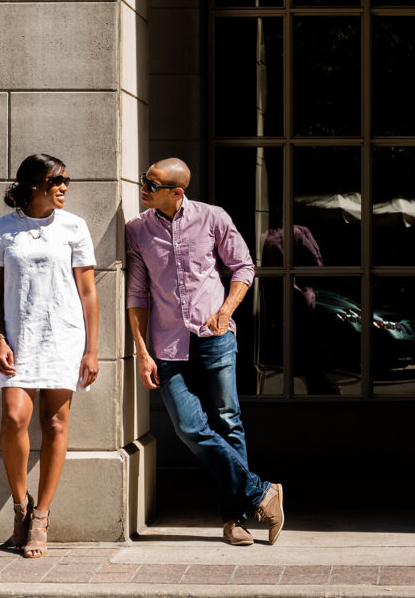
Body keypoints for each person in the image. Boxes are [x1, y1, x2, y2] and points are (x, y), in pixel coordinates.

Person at [125, 158, 283, 546]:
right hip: (168, 344)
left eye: (152, 183)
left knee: (228, 422)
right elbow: (136, 294)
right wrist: (141, 351)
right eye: (145, 180)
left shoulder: (213, 218)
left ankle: (235, 520)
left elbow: (243, 267)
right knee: (189, 426)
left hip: (215, 337)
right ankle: (262, 491)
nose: (143, 187)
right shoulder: (137, 230)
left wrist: (225, 311)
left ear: (176, 193)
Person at [0, 153, 99, 558]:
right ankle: (20, 506)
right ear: (36, 184)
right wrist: (0, 340)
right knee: (15, 417)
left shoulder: (74, 227)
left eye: (67, 178)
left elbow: (88, 292)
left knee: (54, 423)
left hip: (63, 336)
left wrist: (92, 350)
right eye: (58, 179)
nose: (65, 185)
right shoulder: (2, 229)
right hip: (18, 337)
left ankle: (42, 517)